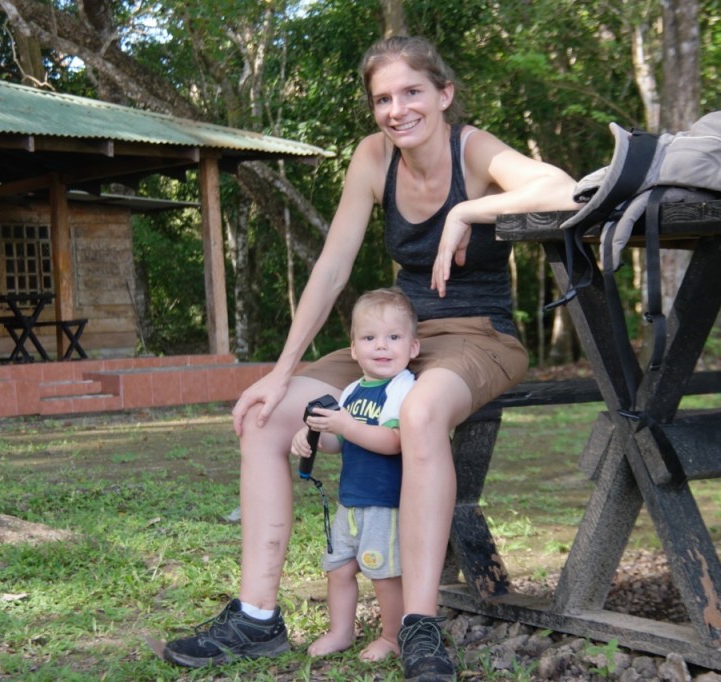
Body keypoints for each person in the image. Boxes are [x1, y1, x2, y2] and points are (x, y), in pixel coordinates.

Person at [160, 35, 578, 680]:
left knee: (419, 413)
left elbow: (564, 191)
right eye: (383, 99)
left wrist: (469, 210)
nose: (397, 109)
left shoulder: (472, 148)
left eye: (412, 92)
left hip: (479, 337)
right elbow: (332, 269)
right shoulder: (373, 157)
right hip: (394, 342)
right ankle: (257, 617)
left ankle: (419, 625)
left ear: (444, 94)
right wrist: (280, 372)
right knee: (265, 417)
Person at [292, 287, 418, 661]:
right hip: (350, 501)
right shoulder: (351, 391)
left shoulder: (403, 388)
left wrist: (346, 425)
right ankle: (340, 632)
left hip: (384, 502)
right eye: (369, 338)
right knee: (339, 568)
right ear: (353, 349)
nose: (381, 346)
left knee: (383, 573)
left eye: (393, 337)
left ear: (412, 347)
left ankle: (392, 637)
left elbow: (393, 442)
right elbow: (340, 442)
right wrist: (314, 437)